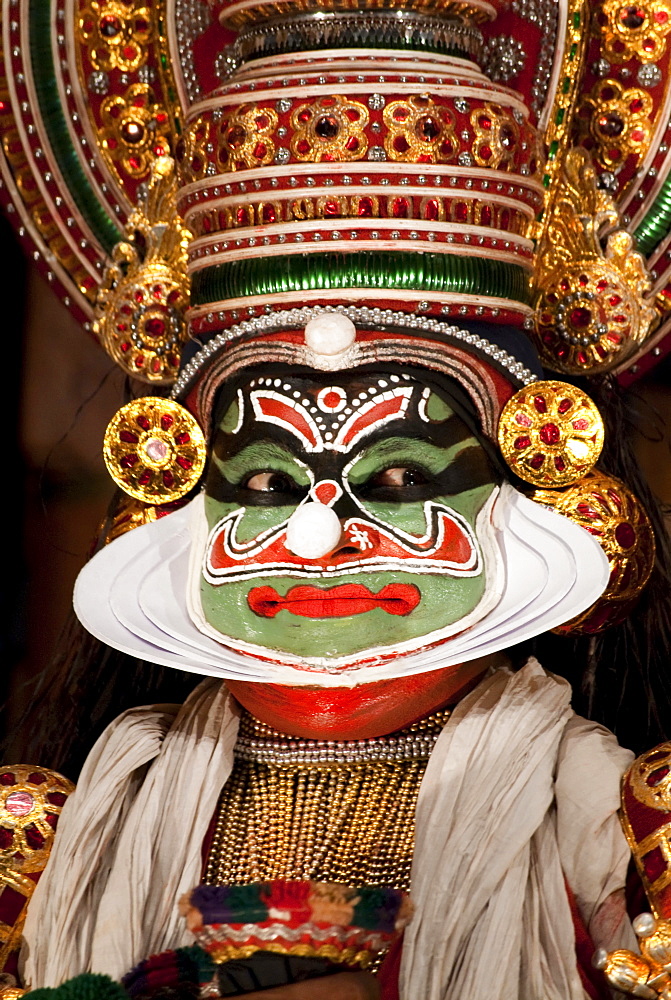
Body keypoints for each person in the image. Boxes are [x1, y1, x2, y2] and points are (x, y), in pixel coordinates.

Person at [1, 0, 671, 997]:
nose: (319, 533)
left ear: (542, 493)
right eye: (265, 482)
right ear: (170, 506)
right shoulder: (43, 854)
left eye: (398, 478)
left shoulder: (625, 837)